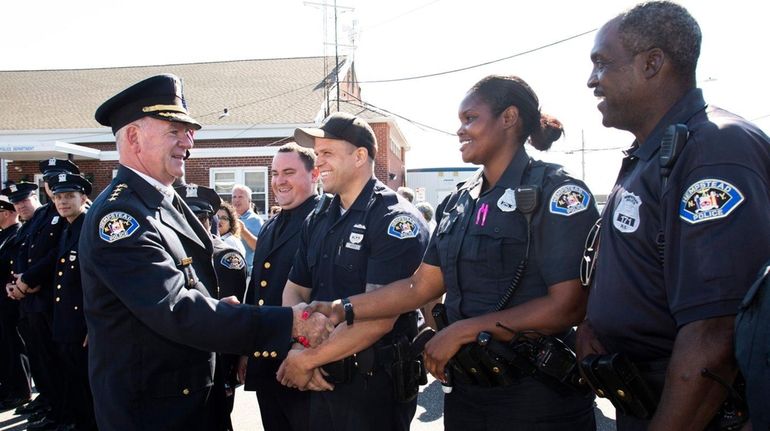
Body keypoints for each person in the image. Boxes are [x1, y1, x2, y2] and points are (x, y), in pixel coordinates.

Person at [302, 76, 600, 430]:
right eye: (460, 121)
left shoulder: (557, 194)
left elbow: (568, 305)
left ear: (508, 118)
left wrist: (461, 332)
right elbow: (419, 287)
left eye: (470, 119)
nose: (460, 130)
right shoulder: (459, 202)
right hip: (468, 397)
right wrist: (341, 308)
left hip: (539, 401)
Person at [80, 73, 332, 431]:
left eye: (189, 130)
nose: (189, 141)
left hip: (191, 399)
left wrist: (221, 307)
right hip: (154, 411)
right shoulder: (120, 217)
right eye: (174, 130)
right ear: (133, 137)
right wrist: (288, 321)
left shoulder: (163, 200)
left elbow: (196, 284)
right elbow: (175, 309)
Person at [576, 2, 770, 430]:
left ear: (652, 63)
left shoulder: (714, 149)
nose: (591, 80)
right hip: (645, 400)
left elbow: (713, 333)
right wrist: (595, 323)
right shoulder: (655, 154)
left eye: (602, 64)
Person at [277, 112, 429, 431]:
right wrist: (300, 343)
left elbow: (380, 317)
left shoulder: (394, 220)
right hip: (320, 379)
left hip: (372, 389)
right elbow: (296, 289)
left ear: (360, 156)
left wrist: (305, 360)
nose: (319, 163)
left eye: (327, 153)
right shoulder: (318, 218)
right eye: (317, 154)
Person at [237, 142, 319, 431]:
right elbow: (257, 291)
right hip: (267, 361)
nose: (279, 181)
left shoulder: (323, 221)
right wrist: (247, 349)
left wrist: (309, 357)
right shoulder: (272, 224)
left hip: (302, 363)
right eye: (274, 173)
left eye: (288, 172)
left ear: (314, 174)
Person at [6, 159, 79, 431]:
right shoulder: (41, 214)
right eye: (49, 181)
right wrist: (20, 280)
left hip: (50, 298)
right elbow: (25, 252)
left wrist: (29, 280)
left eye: (59, 179)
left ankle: (64, 413)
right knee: (42, 361)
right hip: (31, 298)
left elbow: (54, 256)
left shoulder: (65, 214)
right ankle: (52, 406)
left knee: (59, 364)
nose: (53, 187)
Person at [176, 182, 247, 431]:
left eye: (203, 218)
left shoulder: (226, 258)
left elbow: (231, 318)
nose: (197, 223)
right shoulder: (165, 252)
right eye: (189, 216)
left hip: (216, 362)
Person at [48, 172, 96, 430]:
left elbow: (97, 280)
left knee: (87, 386)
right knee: (73, 382)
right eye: (58, 197)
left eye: (69, 196)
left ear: (84, 197)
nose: (63, 202)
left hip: (82, 324)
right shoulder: (68, 228)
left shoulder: (88, 227)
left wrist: (92, 322)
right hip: (65, 321)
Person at [0, 196, 31, 411]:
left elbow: (14, 267)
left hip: (10, 300)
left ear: (6, 213)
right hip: (2, 301)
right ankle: (9, 386)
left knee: (14, 345)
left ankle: (21, 391)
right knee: (4, 346)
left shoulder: (17, 234)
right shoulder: (4, 236)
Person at [231, 184, 263, 273]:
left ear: (249, 200)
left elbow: (259, 247)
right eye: (234, 197)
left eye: (240, 197)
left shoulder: (255, 220)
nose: (236, 200)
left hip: (247, 272)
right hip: (230, 270)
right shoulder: (227, 219)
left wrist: (244, 231)